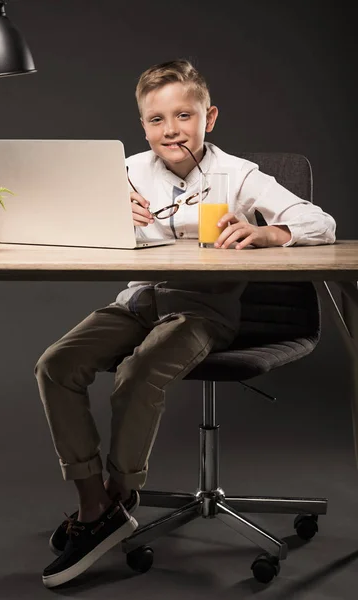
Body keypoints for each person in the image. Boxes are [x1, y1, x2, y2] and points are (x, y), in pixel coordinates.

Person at [35, 59, 336, 588]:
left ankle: (119, 495)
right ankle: (94, 503)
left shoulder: (237, 175)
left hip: (203, 307)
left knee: (137, 373)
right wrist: (101, 213)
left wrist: (270, 233)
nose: (170, 130)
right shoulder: (124, 170)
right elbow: (65, 227)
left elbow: (322, 222)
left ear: (209, 117)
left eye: (183, 115)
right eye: (156, 120)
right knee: (57, 364)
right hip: (139, 299)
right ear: (142, 125)